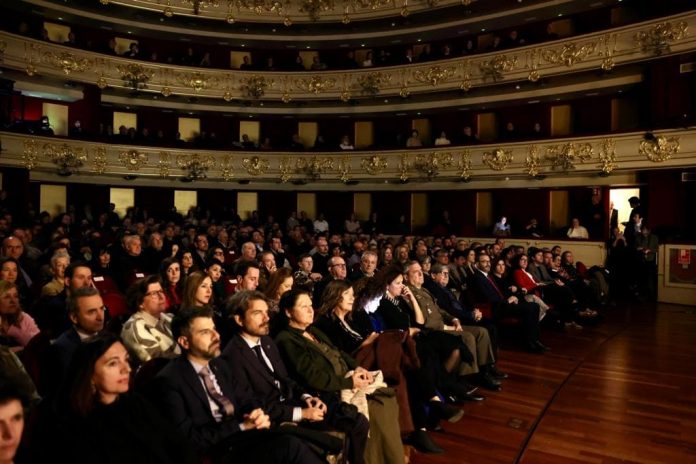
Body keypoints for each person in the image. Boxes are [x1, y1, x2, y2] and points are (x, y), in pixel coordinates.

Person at [154, 307, 322, 464]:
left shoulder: (220, 365)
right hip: (219, 451)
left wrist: (256, 413)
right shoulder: (169, 380)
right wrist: (241, 426)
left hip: (244, 436)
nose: (216, 336)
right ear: (184, 342)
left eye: (214, 329)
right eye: (205, 332)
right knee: (290, 446)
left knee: (298, 437)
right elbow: (188, 439)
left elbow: (246, 398)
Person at [222, 291, 369, 463]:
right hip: (273, 420)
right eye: (257, 313)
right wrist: (302, 413)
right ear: (239, 320)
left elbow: (286, 379)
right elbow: (255, 405)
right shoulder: (232, 357)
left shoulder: (267, 342)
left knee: (358, 421)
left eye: (266, 312)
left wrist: (307, 397)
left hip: (294, 402)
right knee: (318, 447)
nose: (266, 318)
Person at [275, 289, 405, 464]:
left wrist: (358, 368)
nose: (310, 310)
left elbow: (339, 352)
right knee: (378, 406)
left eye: (310, 305)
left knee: (389, 396)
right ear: (288, 312)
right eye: (303, 306)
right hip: (329, 389)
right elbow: (312, 377)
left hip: (347, 377)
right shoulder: (286, 339)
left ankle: (389, 455)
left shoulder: (313, 330)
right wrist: (350, 382)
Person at [51, 334, 198, 464]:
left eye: (126, 360)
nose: (126, 369)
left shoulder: (136, 403)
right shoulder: (76, 427)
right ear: (90, 374)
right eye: (113, 363)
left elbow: (178, 443)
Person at [121, 276, 180, 364]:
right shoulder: (134, 327)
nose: (161, 296)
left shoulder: (169, 317)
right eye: (154, 293)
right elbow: (158, 364)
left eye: (161, 291)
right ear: (140, 303)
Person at [0, 281, 39, 349]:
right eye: (7, 297)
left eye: (15, 296)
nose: (13, 301)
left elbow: (39, 344)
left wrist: (13, 331)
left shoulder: (25, 318)